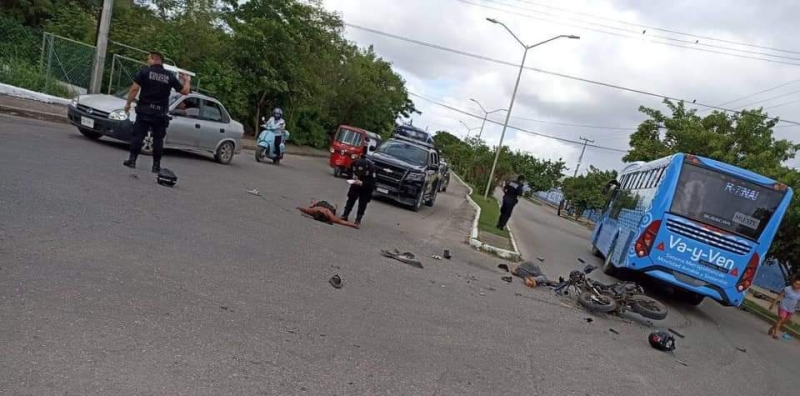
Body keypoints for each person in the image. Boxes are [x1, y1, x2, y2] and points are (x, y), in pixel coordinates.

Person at [123, 51, 191, 172]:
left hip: (144, 110)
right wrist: (187, 80)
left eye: (149, 59)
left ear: (155, 60)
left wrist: (128, 103)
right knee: (158, 139)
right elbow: (185, 92)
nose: (147, 61)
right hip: (160, 113)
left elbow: (134, 89)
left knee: (138, 136)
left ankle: (132, 160)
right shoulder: (169, 76)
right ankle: (156, 166)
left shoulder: (144, 72)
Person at [340, 151, 376, 226]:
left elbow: (372, 184)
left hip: (366, 186)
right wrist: (352, 177)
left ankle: (358, 219)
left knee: (363, 203)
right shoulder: (354, 163)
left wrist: (362, 183)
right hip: (355, 183)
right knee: (351, 198)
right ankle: (345, 215)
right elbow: (348, 172)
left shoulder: (371, 169)